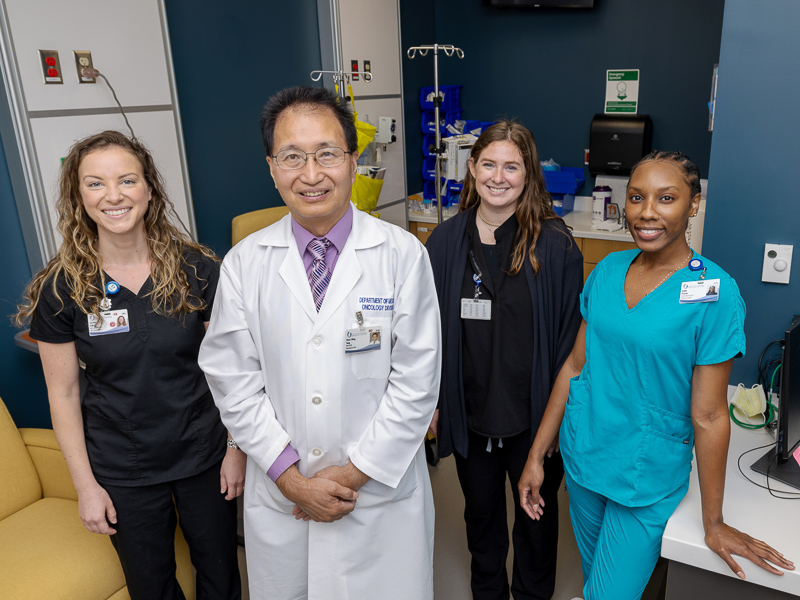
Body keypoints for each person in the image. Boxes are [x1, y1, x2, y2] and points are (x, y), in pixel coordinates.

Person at [198, 86, 441, 600]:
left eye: (327, 154)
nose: (311, 174)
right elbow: (232, 380)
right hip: (283, 497)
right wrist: (292, 480)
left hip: (378, 498)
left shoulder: (401, 255)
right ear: (271, 167)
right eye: (292, 157)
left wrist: (352, 475)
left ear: (354, 162)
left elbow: (417, 384)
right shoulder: (245, 263)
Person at [518, 151, 794, 600]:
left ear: (694, 204)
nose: (647, 212)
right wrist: (537, 454)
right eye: (636, 197)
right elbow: (574, 366)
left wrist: (714, 521)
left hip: (645, 476)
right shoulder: (606, 271)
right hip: (584, 459)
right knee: (597, 583)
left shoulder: (715, 295)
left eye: (666, 198)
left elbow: (708, 416)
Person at [16, 130, 244, 600]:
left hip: (203, 453)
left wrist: (236, 447)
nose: (114, 196)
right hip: (122, 465)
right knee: (151, 585)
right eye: (95, 183)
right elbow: (63, 395)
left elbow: (234, 369)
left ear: (149, 189)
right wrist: (85, 486)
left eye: (127, 180)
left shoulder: (197, 270)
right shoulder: (64, 288)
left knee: (221, 574)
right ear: (78, 197)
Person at [425, 121, 583, 600]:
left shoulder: (555, 247)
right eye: (488, 164)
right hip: (471, 412)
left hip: (533, 416)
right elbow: (426, 335)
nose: (499, 176)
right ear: (470, 169)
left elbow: (567, 348)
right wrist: (433, 402)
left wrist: (552, 429)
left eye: (511, 166)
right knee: (481, 518)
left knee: (535, 524)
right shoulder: (444, 243)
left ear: (528, 173)